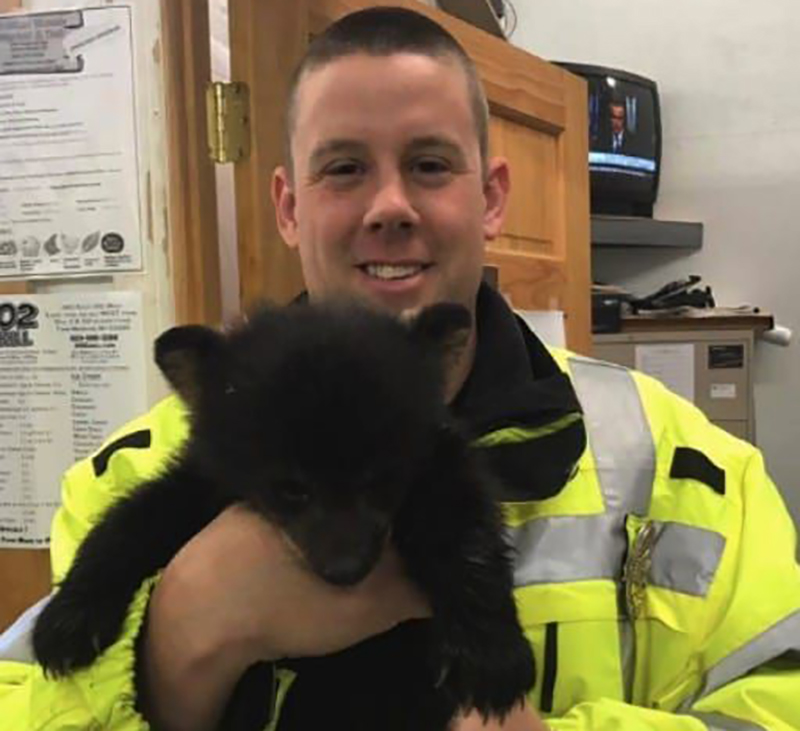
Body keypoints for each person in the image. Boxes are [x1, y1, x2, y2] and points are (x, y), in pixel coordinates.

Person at [2, 7, 799, 730]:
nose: (390, 205)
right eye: (344, 168)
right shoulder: (122, 474)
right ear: (288, 206)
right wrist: (182, 638)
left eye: (428, 164)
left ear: (492, 198)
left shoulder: (682, 465)